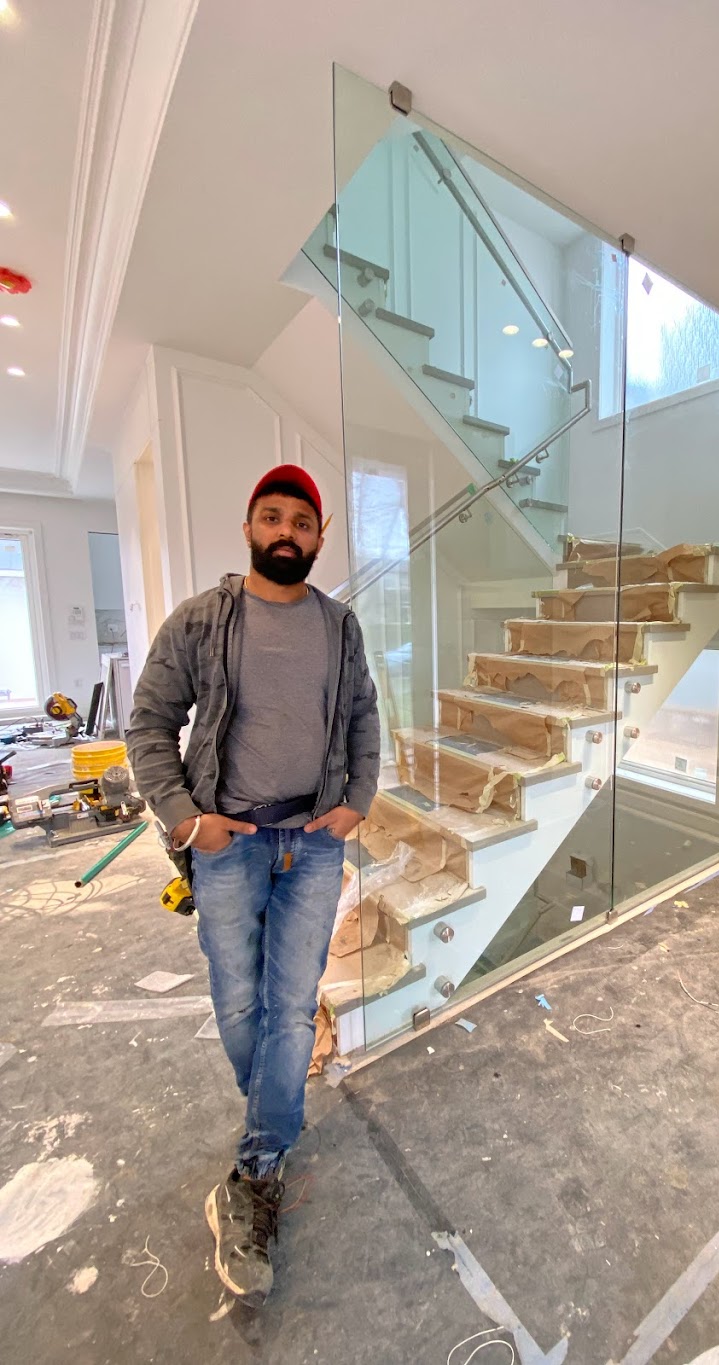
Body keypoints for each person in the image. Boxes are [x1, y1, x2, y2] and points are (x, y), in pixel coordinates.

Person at [127, 464, 380, 1306]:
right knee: (240, 1000)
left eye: (301, 522)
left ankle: (257, 1163)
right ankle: (270, 1117)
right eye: (271, 517)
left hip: (312, 842)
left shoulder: (339, 626)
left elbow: (363, 717)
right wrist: (185, 819)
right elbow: (149, 722)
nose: (286, 532)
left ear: (320, 536)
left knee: (292, 1005)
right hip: (227, 844)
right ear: (248, 528)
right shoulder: (204, 619)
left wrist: (357, 799)